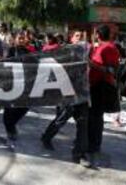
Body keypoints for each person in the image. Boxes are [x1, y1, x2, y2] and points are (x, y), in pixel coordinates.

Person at [40, 29, 90, 164]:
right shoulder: (65, 52)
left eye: (82, 36)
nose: (80, 39)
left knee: (83, 124)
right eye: (77, 36)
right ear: (71, 38)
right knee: (61, 119)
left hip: (82, 94)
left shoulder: (87, 53)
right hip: (67, 93)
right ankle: (46, 137)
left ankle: (79, 154)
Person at [88, 25, 120, 165]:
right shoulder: (100, 47)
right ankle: (91, 142)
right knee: (92, 116)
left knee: (96, 117)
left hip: (101, 86)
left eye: (95, 33)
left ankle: (94, 145)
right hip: (94, 85)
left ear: (98, 35)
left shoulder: (109, 48)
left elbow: (111, 70)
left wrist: (91, 64)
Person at [3, 32, 30, 141]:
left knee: (24, 107)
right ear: (15, 39)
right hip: (10, 83)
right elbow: (4, 63)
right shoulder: (10, 50)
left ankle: (11, 125)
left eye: (23, 38)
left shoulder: (28, 52)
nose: (22, 40)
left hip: (23, 84)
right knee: (9, 108)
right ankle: (10, 129)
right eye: (20, 38)